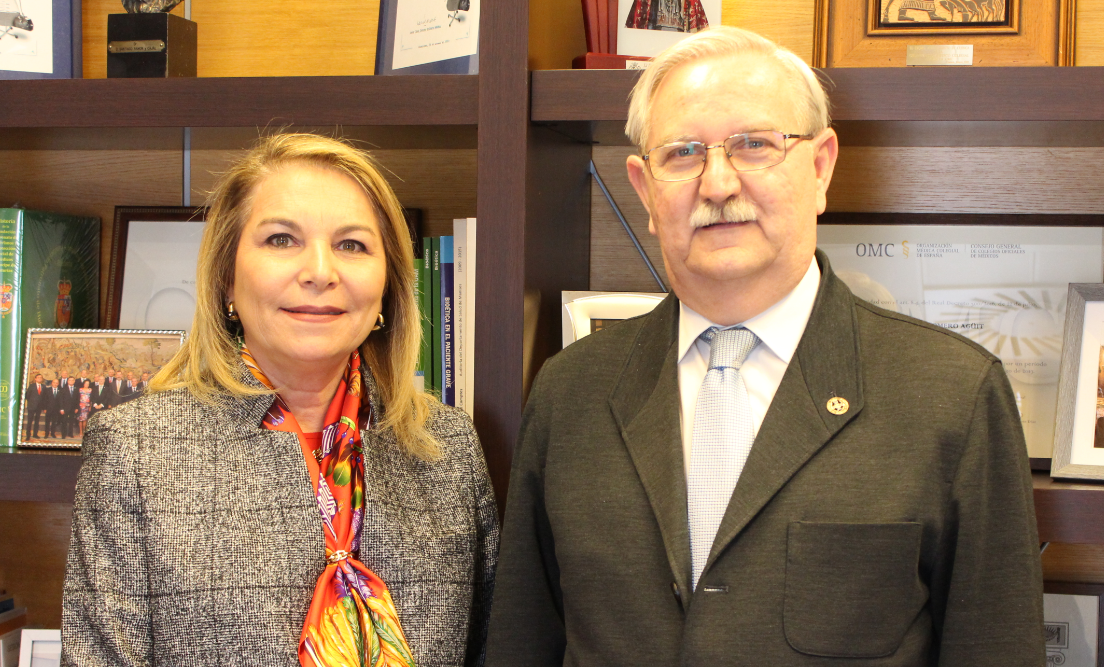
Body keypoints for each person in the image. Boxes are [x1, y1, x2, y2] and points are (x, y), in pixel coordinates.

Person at [485, 26, 1044, 666]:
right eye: (683, 154)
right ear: (644, 190)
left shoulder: (954, 395)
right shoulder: (568, 392)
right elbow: (522, 645)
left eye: (754, 145)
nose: (718, 184)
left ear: (821, 166)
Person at [63, 133, 499, 667]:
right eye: (281, 239)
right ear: (226, 277)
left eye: (352, 245)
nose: (320, 272)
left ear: (388, 284)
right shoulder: (134, 452)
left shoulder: (448, 449)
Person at [23, 373, 46, 440]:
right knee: (29, 421)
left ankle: (35, 434)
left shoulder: (43, 387)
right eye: (38, 377)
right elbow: (27, 396)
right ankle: (28, 435)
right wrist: (31, 402)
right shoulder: (31, 386)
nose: (40, 379)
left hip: (39, 407)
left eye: (41, 377)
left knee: (37, 421)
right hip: (31, 406)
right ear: (35, 379)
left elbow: (44, 397)